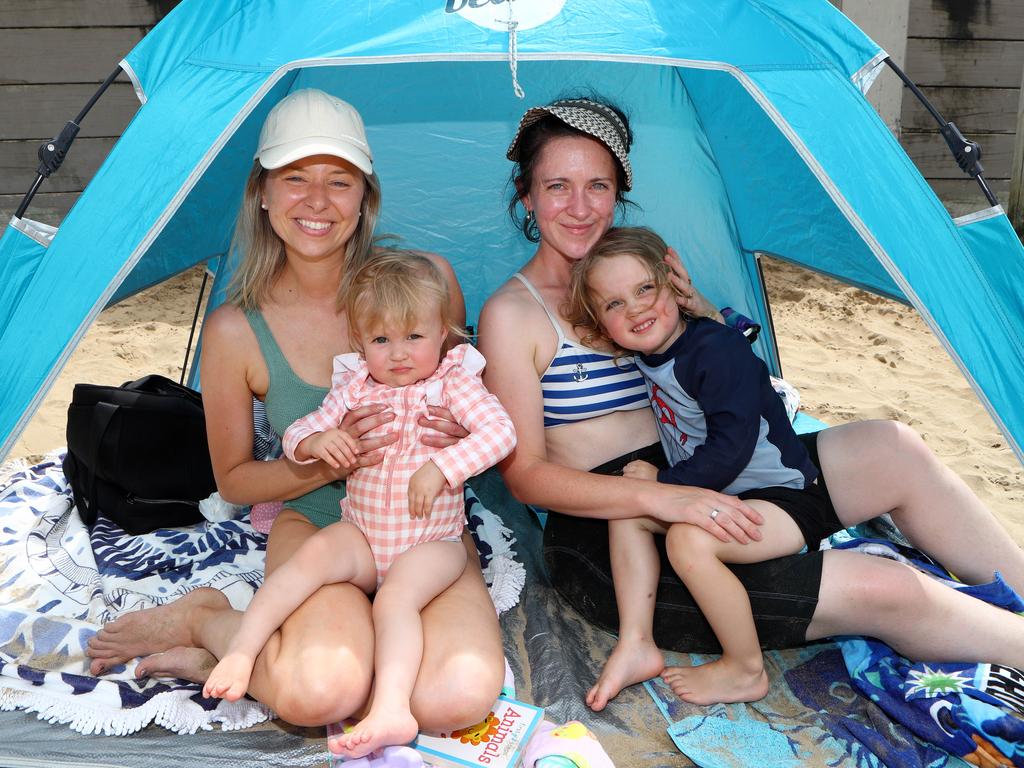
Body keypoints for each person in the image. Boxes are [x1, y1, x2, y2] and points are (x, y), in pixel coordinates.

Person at [476, 95, 1024, 712]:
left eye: (597, 185)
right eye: (557, 186)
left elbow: (730, 384)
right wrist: (665, 494)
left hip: (712, 468)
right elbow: (524, 476)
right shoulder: (512, 315)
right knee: (885, 587)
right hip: (619, 534)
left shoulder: (641, 280)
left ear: (619, 192)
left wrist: (703, 314)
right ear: (526, 196)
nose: (579, 208)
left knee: (891, 447)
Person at [86, 89, 506, 733]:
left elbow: (473, 407)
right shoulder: (236, 328)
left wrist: (452, 447)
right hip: (319, 526)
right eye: (294, 179)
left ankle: (310, 643)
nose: (317, 202)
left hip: (425, 529)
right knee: (320, 693)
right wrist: (324, 457)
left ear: (366, 197)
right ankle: (209, 620)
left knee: (454, 699)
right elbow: (234, 481)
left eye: (339, 182)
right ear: (261, 192)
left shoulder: (426, 281)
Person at [202, 250, 515, 756]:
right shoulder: (353, 386)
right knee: (311, 560)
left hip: (430, 542)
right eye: (380, 340)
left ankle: (391, 707)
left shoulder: (454, 382)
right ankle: (241, 650)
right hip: (364, 534)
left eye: (414, 337)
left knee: (398, 601)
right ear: (360, 342)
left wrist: (445, 466)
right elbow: (304, 427)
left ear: (442, 335)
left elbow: (500, 432)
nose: (398, 354)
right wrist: (314, 445)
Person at [566, 225, 839, 706]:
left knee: (686, 541)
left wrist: (664, 483)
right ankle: (637, 643)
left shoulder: (713, 350)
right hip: (721, 493)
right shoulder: (656, 351)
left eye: (645, 288)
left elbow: (731, 448)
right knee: (624, 507)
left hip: (783, 498)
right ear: (602, 323)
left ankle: (745, 667)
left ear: (674, 284)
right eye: (614, 304)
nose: (635, 308)